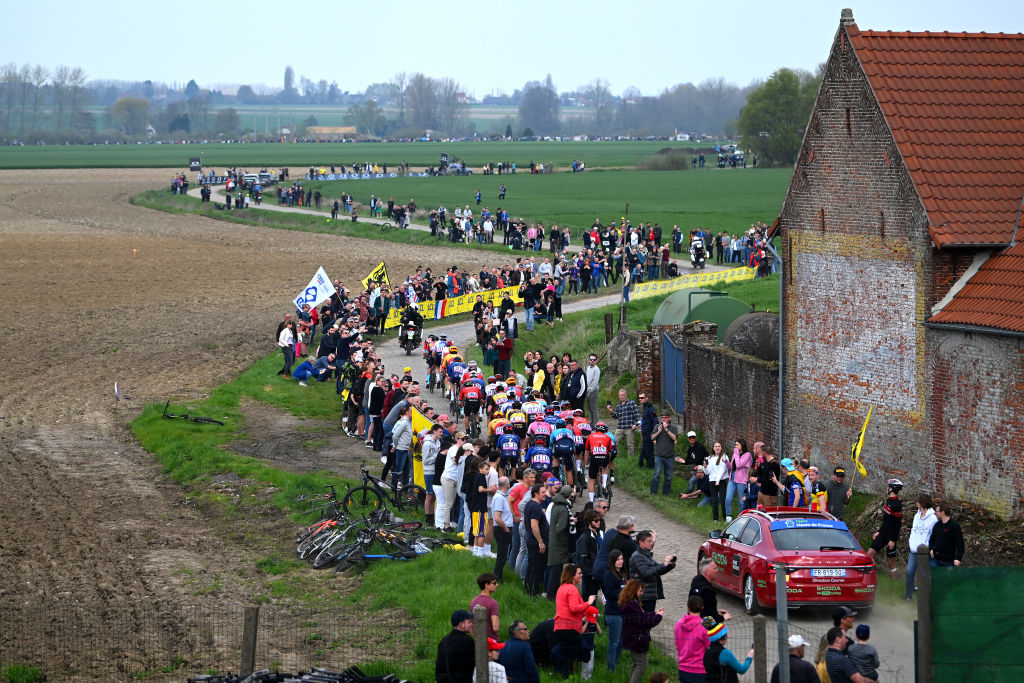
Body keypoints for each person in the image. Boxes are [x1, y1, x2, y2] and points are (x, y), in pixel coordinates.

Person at [553, 564, 594, 677]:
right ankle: (567, 677)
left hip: (560, 626)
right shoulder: (572, 588)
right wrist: (588, 603)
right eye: (579, 573)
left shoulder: (562, 588)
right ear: (572, 575)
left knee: (567, 655)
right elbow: (574, 608)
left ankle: (563, 676)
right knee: (570, 657)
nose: (581, 575)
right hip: (569, 627)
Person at [620, 578, 664, 683]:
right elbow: (643, 621)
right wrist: (658, 617)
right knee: (642, 665)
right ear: (633, 591)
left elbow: (641, 616)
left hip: (631, 637)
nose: (642, 593)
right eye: (640, 591)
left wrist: (654, 613)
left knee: (635, 664)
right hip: (637, 638)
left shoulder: (628, 603)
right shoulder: (632, 605)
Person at [628, 530, 677, 612]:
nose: (652, 543)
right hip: (642, 597)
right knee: (644, 622)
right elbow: (646, 573)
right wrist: (663, 564)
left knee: (648, 622)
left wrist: (669, 564)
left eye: (652, 541)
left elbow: (658, 571)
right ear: (641, 542)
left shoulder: (645, 556)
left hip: (649, 596)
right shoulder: (637, 557)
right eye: (649, 541)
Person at [905, 492, 937, 600]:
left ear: (923, 503)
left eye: (918, 501)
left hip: (924, 551)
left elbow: (933, 535)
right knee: (909, 572)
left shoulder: (933, 519)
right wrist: (911, 543)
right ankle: (908, 595)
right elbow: (913, 531)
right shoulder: (916, 515)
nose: (916, 502)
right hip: (914, 550)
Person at [867, 478, 903, 576]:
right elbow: (886, 521)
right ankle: (868, 577)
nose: (887, 488)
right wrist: (879, 531)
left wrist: (893, 540)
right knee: (869, 555)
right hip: (883, 533)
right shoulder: (888, 500)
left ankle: (894, 584)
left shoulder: (897, 504)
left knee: (890, 561)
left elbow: (898, 524)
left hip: (891, 536)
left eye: (888, 487)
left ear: (891, 489)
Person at [702, 615, 753, 683]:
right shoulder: (725, 653)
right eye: (725, 635)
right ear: (720, 639)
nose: (727, 637)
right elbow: (741, 670)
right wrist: (750, 657)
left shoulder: (707, 652)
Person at [601, 549, 628, 672]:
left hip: (623, 612)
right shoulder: (608, 575)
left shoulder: (622, 574)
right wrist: (624, 590)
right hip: (613, 613)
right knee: (614, 642)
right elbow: (609, 594)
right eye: (618, 559)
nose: (620, 561)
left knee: (622, 642)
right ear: (612, 561)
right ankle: (611, 669)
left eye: (622, 559)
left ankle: (614, 663)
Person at [673, 596, 709, 683]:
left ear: (688, 608)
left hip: (683, 668)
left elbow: (677, 645)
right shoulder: (704, 626)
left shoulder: (678, 625)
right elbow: (710, 646)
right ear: (702, 608)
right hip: (700, 669)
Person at [436, 609, 476, 682]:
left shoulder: (444, 641)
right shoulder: (468, 641)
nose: (472, 624)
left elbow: (439, 667)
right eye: (469, 622)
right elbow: (473, 666)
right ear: (461, 625)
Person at [689, 557, 731, 624]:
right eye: (715, 568)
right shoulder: (708, 590)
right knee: (722, 631)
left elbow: (705, 610)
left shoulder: (696, 580)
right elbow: (707, 619)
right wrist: (723, 617)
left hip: (692, 621)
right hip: (702, 628)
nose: (717, 570)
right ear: (707, 572)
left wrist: (715, 612)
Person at [608, 389, 640, 465]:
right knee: (614, 442)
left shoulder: (632, 403)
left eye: (623, 395)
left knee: (630, 445)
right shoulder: (618, 405)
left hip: (629, 427)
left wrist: (635, 424)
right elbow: (616, 416)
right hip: (620, 427)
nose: (621, 397)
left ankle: (630, 460)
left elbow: (637, 416)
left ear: (626, 395)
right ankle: (615, 457)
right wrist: (611, 411)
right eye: (620, 395)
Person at [929, 499, 965, 567]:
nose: (935, 513)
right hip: (935, 560)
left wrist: (958, 558)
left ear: (942, 512)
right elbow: (932, 539)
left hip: (949, 561)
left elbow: (960, 544)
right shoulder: (937, 525)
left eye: (936, 511)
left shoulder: (954, 526)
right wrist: (931, 549)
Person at [649, 413, 678, 495]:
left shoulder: (674, 427)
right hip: (659, 455)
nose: (664, 419)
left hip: (670, 456)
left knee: (668, 476)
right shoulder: (657, 426)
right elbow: (652, 438)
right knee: (657, 474)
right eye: (662, 418)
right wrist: (659, 431)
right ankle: (653, 492)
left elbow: (674, 438)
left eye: (666, 417)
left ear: (670, 418)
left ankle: (666, 493)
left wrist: (666, 429)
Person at [492, 476, 514, 578]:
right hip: (502, 529)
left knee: (503, 556)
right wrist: (505, 528)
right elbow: (497, 517)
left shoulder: (502, 496)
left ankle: (498, 577)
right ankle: (496, 578)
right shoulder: (499, 498)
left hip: (503, 528)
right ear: (507, 485)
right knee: (501, 556)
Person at [470, 573, 501, 640]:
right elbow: (496, 628)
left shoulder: (473, 601)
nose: (497, 585)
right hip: (492, 642)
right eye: (494, 583)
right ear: (487, 585)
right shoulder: (493, 603)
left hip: (479, 641)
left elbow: (470, 624)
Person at [704, 442, 729, 521]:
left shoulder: (724, 457)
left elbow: (723, 470)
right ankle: (715, 519)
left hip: (721, 481)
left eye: (719, 446)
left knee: (722, 500)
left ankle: (725, 517)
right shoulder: (709, 458)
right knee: (714, 500)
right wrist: (705, 467)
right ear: (713, 448)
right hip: (712, 481)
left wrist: (717, 480)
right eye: (716, 446)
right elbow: (707, 472)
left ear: (721, 448)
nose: (717, 448)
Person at [637, 392, 657, 468]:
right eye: (639, 398)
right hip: (644, 432)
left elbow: (655, 421)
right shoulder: (644, 407)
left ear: (646, 398)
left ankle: (650, 466)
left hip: (649, 433)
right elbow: (646, 419)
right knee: (645, 448)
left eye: (642, 398)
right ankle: (641, 463)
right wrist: (642, 425)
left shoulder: (650, 408)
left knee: (649, 450)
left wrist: (654, 433)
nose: (640, 399)